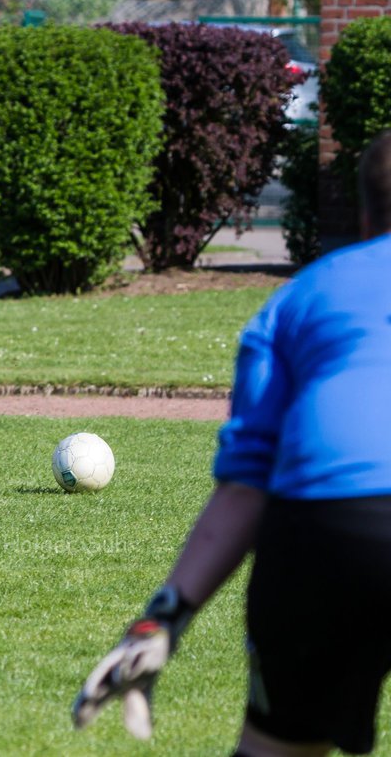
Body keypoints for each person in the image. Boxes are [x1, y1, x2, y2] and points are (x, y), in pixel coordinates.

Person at [72, 131, 391, 755]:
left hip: (326, 532)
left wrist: (162, 617)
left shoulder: (299, 299)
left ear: (363, 214)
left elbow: (246, 486)